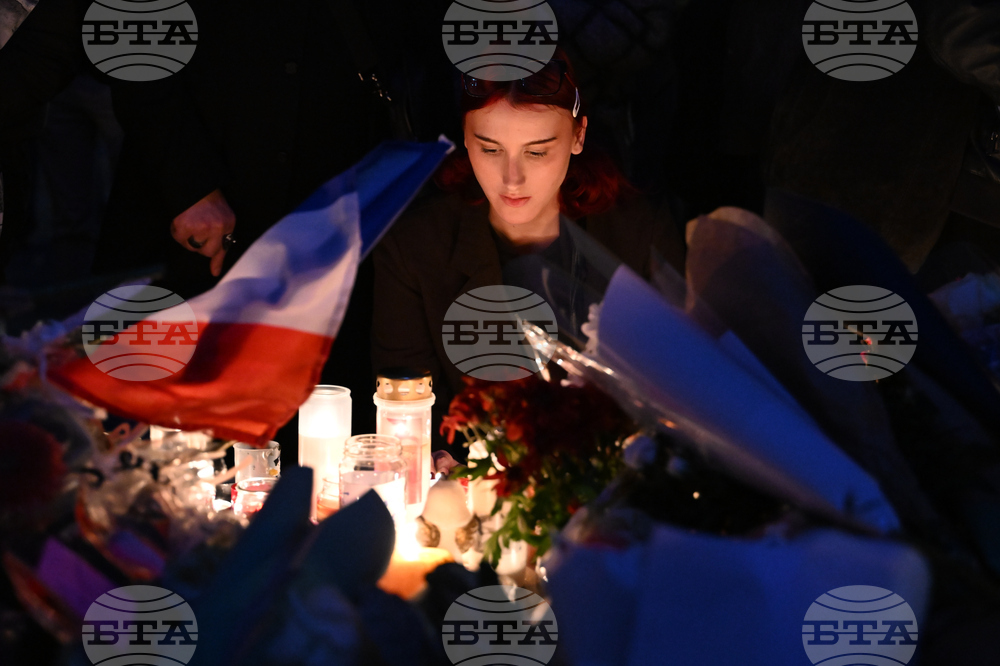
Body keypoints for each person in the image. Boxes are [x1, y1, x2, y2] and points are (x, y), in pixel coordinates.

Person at [372, 50, 685, 452]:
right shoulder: (415, 249)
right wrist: (439, 457)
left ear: (578, 136)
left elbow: (685, 396)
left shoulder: (640, 235)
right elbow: (405, 412)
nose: (512, 179)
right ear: (465, 136)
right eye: (490, 149)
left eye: (537, 152)